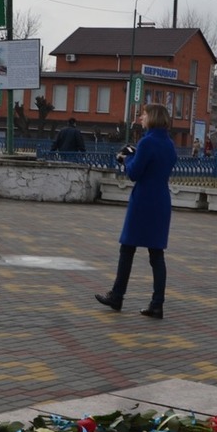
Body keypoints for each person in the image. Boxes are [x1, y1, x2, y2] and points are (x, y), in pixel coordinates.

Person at [95, 102, 177, 320]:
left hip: (143, 201)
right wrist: (135, 153)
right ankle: (157, 303)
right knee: (156, 254)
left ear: (153, 117)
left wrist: (125, 158)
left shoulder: (147, 142)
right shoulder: (169, 143)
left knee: (127, 249)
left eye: (144, 114)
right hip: (161, 200)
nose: (141, 117)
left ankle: (117, 295)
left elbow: (134, 173)